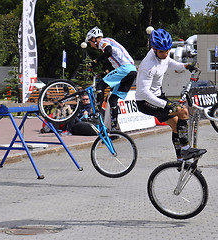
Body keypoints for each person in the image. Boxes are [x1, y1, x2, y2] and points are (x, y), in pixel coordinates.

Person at [135, 28, 207, 161]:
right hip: (146, 102)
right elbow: (143, 93)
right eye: (162, 51)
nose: (165, 53)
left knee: (176, 127)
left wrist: (185, 66)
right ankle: (186, 150)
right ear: (153, 48)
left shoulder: (163, 54)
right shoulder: (148, 65)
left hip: (157, 96)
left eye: (168, 50)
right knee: (183, 112)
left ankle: (181, 160)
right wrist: (166, 104)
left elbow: (169, 62)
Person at [85, 26, 137, 130]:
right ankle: (115, 127)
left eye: (90, 42)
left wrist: (95, 61)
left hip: (125, 69)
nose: (91, 45)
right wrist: (104, 73)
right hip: (132, 71)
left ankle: (98, 114)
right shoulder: (111, 43)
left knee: (100, 85)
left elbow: (108, 52)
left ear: (94, 39)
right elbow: (113, 64)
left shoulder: (104, 42)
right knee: (113, 99)